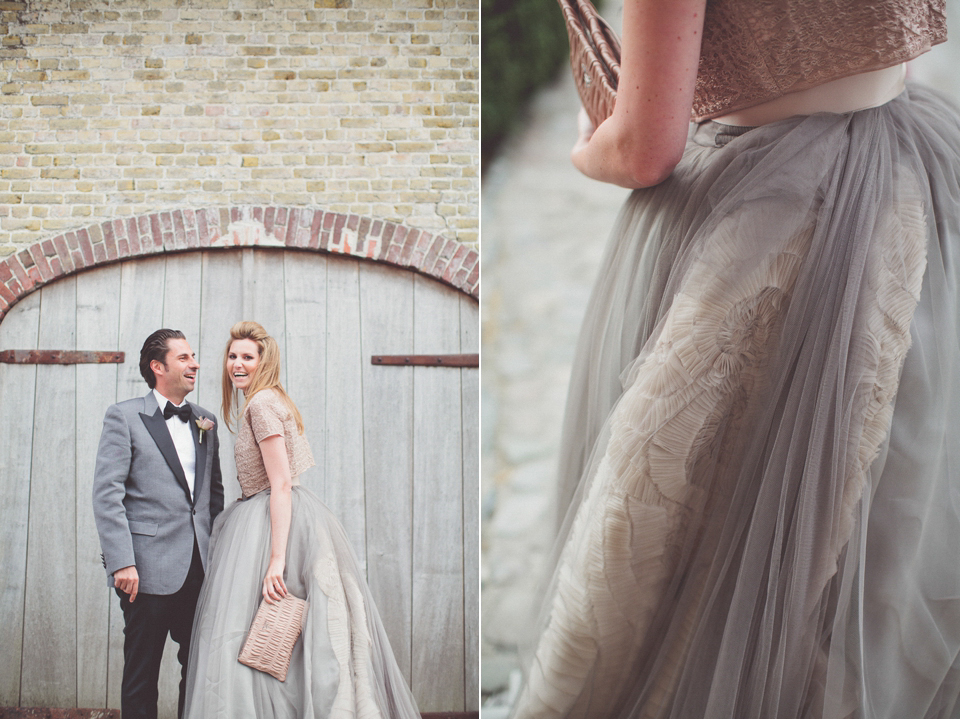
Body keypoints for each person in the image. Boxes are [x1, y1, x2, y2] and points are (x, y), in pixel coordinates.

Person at [510, 1, 960, 717]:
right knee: (880, 504)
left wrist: (585, 146)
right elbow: (895, 48)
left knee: (699, 516)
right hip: (904, 179)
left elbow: (644, 149)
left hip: (761, 219)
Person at [182, 321, 420, 718]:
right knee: (281, 643)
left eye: (247, 357)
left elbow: (280, 484)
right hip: (270, 516)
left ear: (264, 361)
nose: (236, 364)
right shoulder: (270, 399)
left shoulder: (260, 405)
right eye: (232, 356)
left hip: (271, 522)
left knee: (263, 635)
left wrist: (276, 559)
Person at [93, 328, 224, 719]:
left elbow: (212, 497)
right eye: (184, 358)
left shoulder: (206, 421)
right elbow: (107, 494)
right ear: (157, 366)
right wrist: (122, 562)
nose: (195, 364)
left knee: (198, 669)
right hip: (144, 571)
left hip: (198, 569)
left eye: (193, 356)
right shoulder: (124, 416)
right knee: (141, 671)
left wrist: (216, 555)